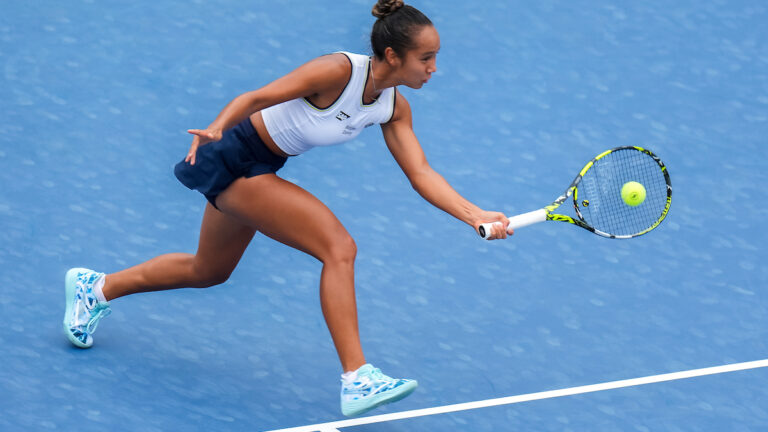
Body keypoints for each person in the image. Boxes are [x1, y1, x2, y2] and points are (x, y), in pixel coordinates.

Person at [62, 0, 511, 417]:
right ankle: (357, 376)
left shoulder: (393, 108)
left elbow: (421, 173)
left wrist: (475, 214)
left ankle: (96, 288)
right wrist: (216, 127)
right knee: (339, 248)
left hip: (263, 164)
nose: (433, 68)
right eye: (425, 58)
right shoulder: (337, 71)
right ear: (393, 55)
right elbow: (258, 97)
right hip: (233, 156)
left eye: (434, 58)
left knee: (209, 270)